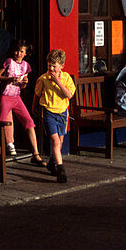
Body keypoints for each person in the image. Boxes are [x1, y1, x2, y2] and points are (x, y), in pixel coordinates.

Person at [0, 39, 44, 165]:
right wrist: (9, 78)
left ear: (25, 53)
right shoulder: (9, 62)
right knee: (2, 123)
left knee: (29, 122)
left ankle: (36, 153)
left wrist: (24, 83)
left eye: (21, 51)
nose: (18, 53)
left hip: (17, 97)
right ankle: (7, 146)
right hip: (6, 96)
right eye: (17, 51)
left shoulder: (26, 66)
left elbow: (23, 86)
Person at [33, 49, 75, 183]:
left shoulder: (66, 78)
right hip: (48, 112)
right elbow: (37, 94)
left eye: (54, 66)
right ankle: (61, 171)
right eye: (49, 65)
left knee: (61, 141)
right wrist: (34, 107)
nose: (51, 68)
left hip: (62, 112)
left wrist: (58, 82)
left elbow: (69, 95)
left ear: (61, 66)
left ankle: (52, 162)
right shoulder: (43, 79)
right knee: (55, 141)